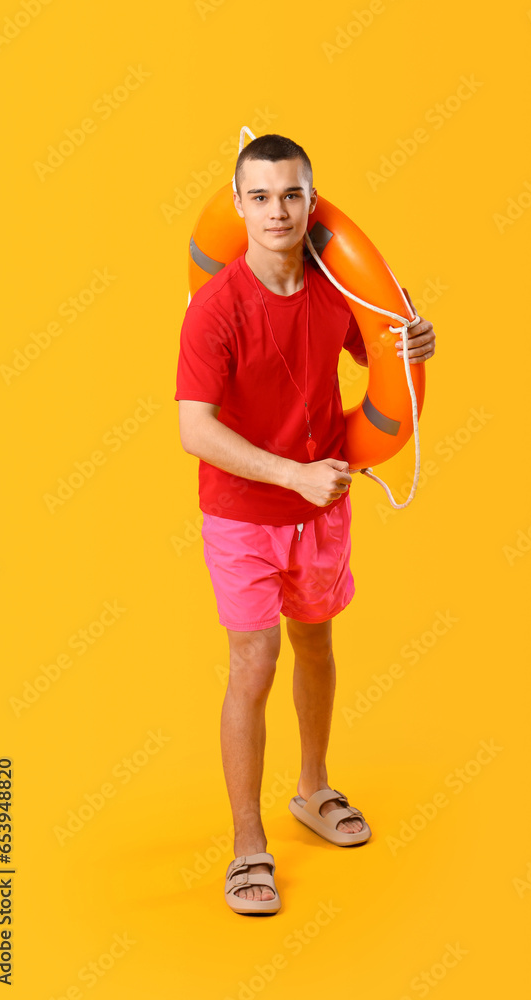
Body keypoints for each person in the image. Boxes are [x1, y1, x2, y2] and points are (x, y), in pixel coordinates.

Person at [174, 134, 436, 914]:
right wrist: (290, 472)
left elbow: (382, 363)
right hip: (244, 513)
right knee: (252, 666)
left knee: (317, 643)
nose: (277, 210)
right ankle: (246, 843)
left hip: (320, 510)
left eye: (291, 195)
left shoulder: (328, 292)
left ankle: (312, 789)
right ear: (240, 205)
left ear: (310, 202)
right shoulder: (215, 309)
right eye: (260, 197)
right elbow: (195, 429)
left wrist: (418, 346)